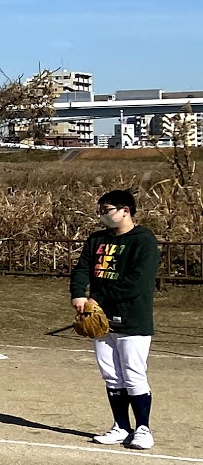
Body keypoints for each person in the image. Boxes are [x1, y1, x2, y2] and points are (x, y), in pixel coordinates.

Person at [71, 188, 161, 451]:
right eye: (100, 210)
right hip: (100, 318)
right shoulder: (97, 239)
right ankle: (121, 426)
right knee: (111, 374)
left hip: (132, 317)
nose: (102, 215)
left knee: (133, 374)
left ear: (125, 211)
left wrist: (98, 298)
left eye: (107, 210)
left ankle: (143, 429)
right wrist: (78, 294)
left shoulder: (143, 240)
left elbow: (138, 282)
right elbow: (82, 268)